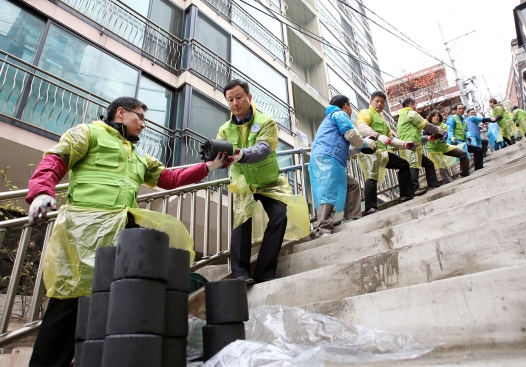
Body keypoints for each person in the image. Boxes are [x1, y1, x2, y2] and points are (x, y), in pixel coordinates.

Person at [26, 97, 228, 367]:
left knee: (133, 294)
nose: (143, 124)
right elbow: (56, 159)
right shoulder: (87, 133)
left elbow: (169, 178)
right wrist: (41, 192)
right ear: (121, 112)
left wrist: (209, 167)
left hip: (123, 231)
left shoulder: (139, 156)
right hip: (83, 234)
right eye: (140, 117)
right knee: (69, 305)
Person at [216, 79, 309, 286]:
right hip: (243, 183)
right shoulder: (224, 129)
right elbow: (220, 153)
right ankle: (240, 274)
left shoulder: (266, 122)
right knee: (241, 223)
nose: (234, 103)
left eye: (239, 97)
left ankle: (265, 271)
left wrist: (240, 155)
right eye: (230, 99)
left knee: (278, 217)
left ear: (249, 97)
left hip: (269, 181)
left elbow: (264, 148)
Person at [309, 94, 377, 236]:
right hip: (328, 159)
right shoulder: (339, 114)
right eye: (350, 106)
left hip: (329, 158)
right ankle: (323, 229)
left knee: (351, 185)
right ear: (345, 105)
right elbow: (350, 134)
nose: (351, 110)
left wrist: (359, 147)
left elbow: (343, 149)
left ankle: (352, 217)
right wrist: (365, 143)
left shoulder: (331, 119)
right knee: (328, 192)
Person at [356, 91, 418, 215]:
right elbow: (361, 128)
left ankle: (405, 195)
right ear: (371, 102)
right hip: (370, 151)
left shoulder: (384, 120)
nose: (379, 104)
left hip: (383, 152)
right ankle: (369, 208)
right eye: (377, 101)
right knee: (372, 176)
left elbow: (391, 138)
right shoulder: (366, 113)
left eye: (382, 102)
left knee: (404, 164)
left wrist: (404, 144)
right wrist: (378, 136)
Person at [397, 98, 446, 194]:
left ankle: (433, 185)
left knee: (428, 163)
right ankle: (414, 189)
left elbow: (414, 133)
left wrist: (427, 138)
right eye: (415, 105)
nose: (416, 108)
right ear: (411, 104)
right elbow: (425, 125)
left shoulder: (401, 117)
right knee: (414, 165)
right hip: (412, 145)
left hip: (407, 145)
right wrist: (438, 130)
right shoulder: (410, 113)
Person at [424, 110, 469, 183]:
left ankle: (464, 173)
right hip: (434, 149)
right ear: (431, 118)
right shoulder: (427, 127)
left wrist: (442, 136)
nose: (436, 117)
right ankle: (448, 180)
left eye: (438, 116)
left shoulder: (443, 125)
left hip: (444, 147)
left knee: (463, 153)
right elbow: (426, 136)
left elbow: (444, 134)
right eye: (434, 116)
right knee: (441, 164)